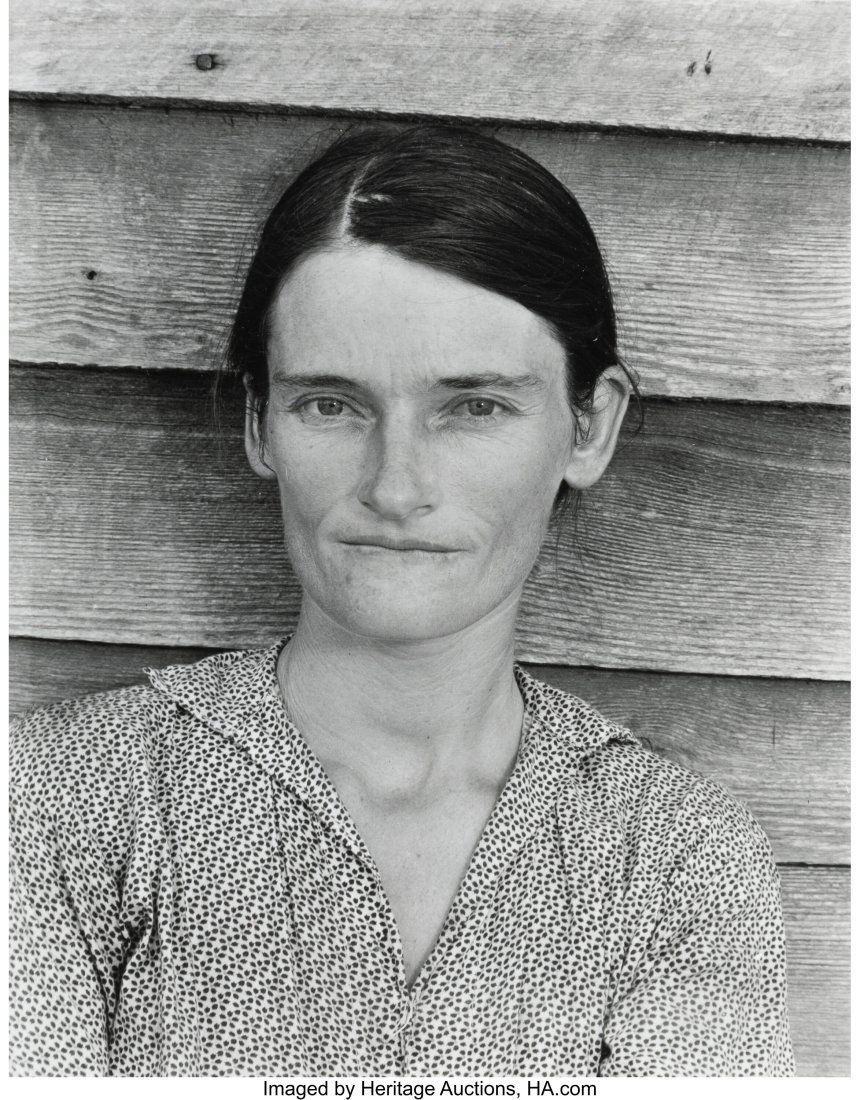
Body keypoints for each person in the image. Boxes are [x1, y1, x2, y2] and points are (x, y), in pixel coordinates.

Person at [10, 125, 794, 1077]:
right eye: (331, 404)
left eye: (474, 407)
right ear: (260, 423)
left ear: (589, 429)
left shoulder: (676, 859)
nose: (395, 486)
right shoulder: (57, 800)